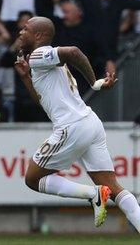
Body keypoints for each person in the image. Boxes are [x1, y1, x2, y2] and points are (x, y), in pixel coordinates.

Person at [14, 16, 140, 232]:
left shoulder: (38, 54)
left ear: (38, 35)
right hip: (90, 123)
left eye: (25, 29)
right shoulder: (44, 62)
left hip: (71, 127)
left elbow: (72, 51)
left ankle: (93, 194)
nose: (20, 32)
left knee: (32, 179)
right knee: (114, 187)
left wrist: (94, 83)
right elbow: (43, 101)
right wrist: (26, 78)